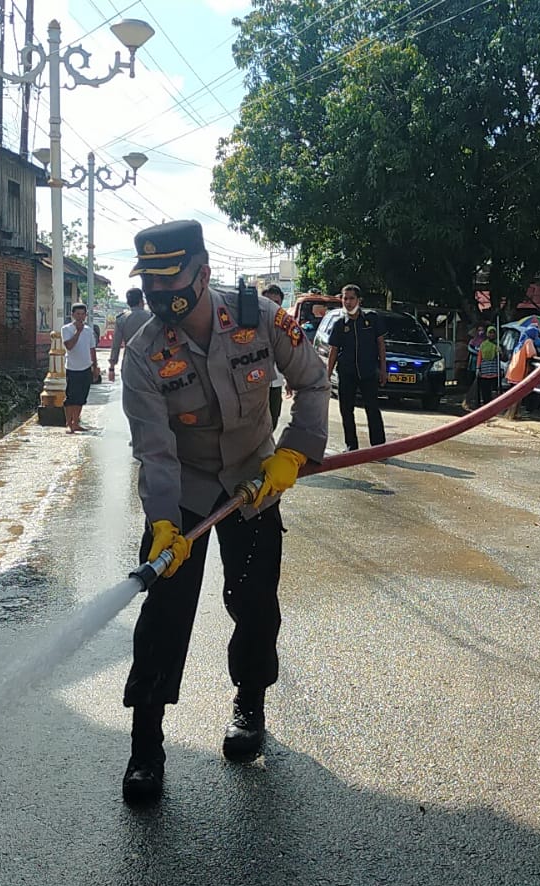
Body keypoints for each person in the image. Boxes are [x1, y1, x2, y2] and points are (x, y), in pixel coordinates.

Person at [118, 220, 329, 804]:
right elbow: (153, 449)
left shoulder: (259, 316)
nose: (161, 295)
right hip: (182, 489)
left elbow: (313, 381)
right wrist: (164, 521)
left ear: (203, 274)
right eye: (150, 283)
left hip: (253, 480)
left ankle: (249, 704)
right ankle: (146, 744)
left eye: (171, 280)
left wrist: (296, 451)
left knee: (256, 601)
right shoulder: (142, 353)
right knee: (164, 611)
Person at [324, 283, 387, 451]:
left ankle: (379, 447)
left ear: (359, 300)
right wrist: (327, 376)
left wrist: (383, 369)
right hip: (347, 373)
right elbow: (333, 351)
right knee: (346, 410)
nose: (348, 302)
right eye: (345, 298)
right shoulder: (339, 324)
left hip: (368, 372)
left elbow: (380, 344)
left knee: (372, 409)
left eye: (352, 298)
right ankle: (351, 446)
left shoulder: (371, 319)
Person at [60, 302, 100, 433]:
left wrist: (95, 366)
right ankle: (68, 423)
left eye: (83, 314)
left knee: (82, 397)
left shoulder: (89, 331)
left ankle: (76, 422)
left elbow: (92, 349)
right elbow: (69, 346)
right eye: (78, 314)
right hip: (72, 368)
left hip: (86, 367)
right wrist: (77, 332)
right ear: (72, 315)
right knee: (71, 397)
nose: (80, 317)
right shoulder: (66, 329)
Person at [261, 284, 291, 428]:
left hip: (276, 383)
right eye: (268, 302)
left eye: (276, 303)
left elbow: (289, 356)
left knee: (273, 420)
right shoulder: (250, 326)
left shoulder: (286, 327)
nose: (272, 307)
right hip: (255, 385)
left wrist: (290, 380)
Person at [108, 287, 153, 382]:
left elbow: (116, 345)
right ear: (142, 300)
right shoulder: (152, 318)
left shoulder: (121, 319)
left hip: (130, 363)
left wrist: (112, 368)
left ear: (128, 302)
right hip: (151, 363)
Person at [472, 325, 500, 409]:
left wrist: (500, 351)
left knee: (494, 390)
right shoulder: (483, 345)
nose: (491, 334)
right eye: (490, 333)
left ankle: (494, 406)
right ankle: (485, 406)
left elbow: (503, 358)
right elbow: (479, 357)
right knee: (485, 390)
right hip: (484, 371)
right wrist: (477, 368)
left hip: (494, 371)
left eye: (493, 333)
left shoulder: (498, 344)